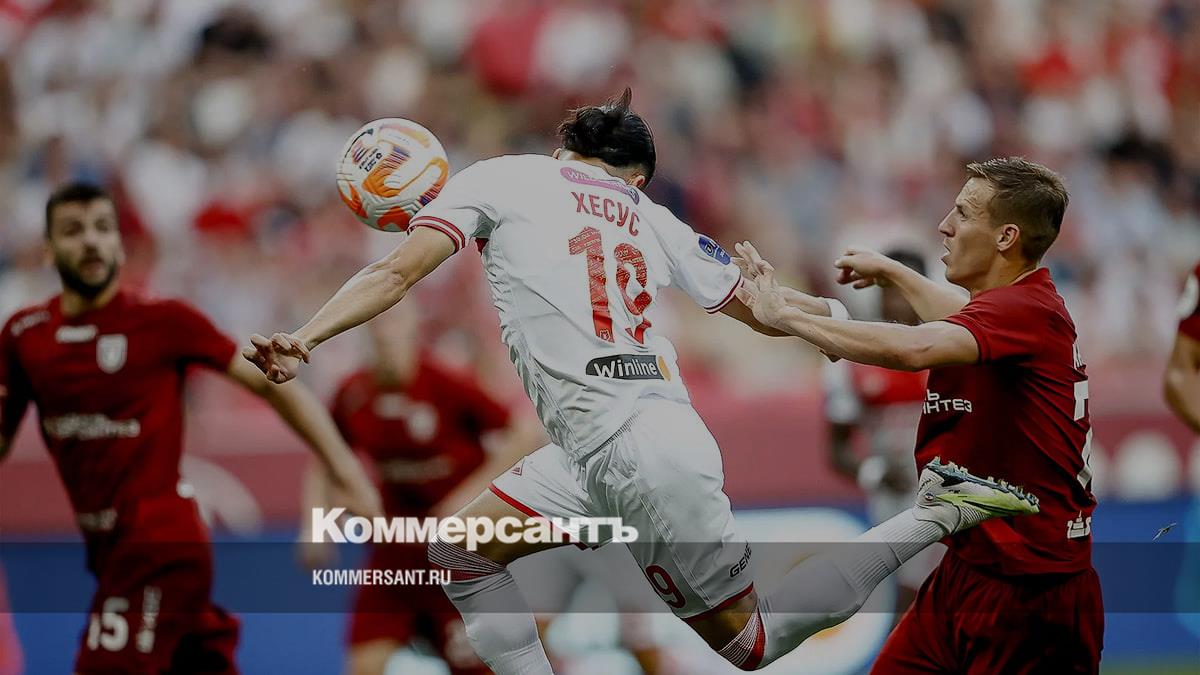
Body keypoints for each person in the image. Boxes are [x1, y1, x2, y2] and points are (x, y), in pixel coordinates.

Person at [244, 90, 1039, 674]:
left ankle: (934, 514)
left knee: (752, 642)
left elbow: (394, 275)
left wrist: (305, 337)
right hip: (611, 444)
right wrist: (836, 312)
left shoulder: (500, 179)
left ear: (568, 150)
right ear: (632, 172)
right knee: (458, 546)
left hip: (630, 451)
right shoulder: (648, 215)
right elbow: (764, 312)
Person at [736, 156, 1103, 673]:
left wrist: (790, 319)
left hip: (1032, 591)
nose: (945, 225)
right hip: (968, 570)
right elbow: (950, 312)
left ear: (1006, 237)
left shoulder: (1023, 311)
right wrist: (891, 271)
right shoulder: (1011, 310)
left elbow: (913, 348)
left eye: (964, 213)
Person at [0, 182, 381, 674]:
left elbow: (272, 384)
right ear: (48, 249)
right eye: (73, 231)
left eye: (102, 228)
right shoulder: (25, 336)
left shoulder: (163, 322)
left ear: (120, 244)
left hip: (160, 546)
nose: (91, 241)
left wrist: (344, 469)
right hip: (108, 553)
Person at [298, 301, 534, 675]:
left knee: (481, 665)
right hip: (393, 557)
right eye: (377, 322)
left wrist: (464, 500)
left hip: (455, 556)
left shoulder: (446, 383)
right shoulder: (354, 392)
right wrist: (315, 524)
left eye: (394, 321)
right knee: (363, 665)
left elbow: (523, 434)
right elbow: (325, 455)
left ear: (414, 328)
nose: (386, 331)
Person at [823, 248, 939, 618]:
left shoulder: (952, 347)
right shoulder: (854, 359)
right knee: (908, 603)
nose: (898, 300)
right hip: (896, 502)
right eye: (890, 289)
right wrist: (877, 474)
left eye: (907, 289)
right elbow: (837, 451)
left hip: (954, 492)